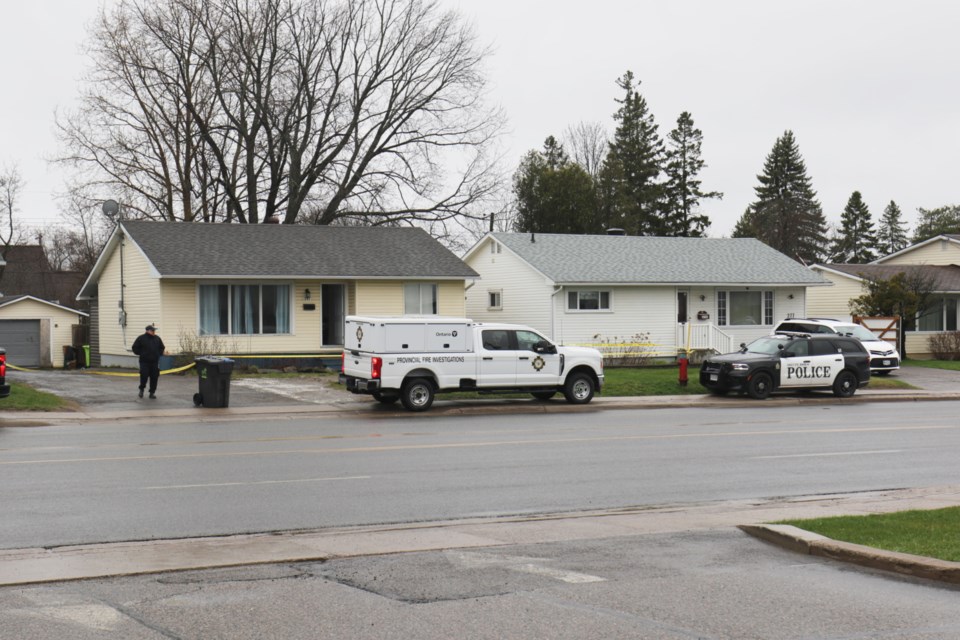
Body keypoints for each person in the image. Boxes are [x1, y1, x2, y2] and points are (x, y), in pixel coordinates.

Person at [132, 325, 166, 399]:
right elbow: (134, 348)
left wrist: (158, 354)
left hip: (154, 362)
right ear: (147, 331)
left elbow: (162, 347)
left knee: (154, 377)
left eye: (154, 330)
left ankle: (152, 393)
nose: (154, 332)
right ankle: (141, 389)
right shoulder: (141, 338)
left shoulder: (157, 338)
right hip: (144, 362)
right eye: (152, 330)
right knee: (144, 376)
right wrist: (142, 353)